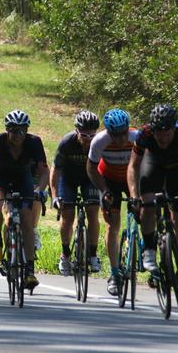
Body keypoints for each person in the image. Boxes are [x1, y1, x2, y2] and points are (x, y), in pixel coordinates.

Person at [128, 104, 178, 304]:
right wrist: (134, 196)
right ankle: (149, 250)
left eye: (167, 134)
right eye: (159, 134)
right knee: (149, 205)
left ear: (174, 128)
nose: (162, 138)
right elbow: (133, 166)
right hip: (152, 165)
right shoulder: (145, 134)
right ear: (152, 130)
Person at [0, 110, 48, 290]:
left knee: (26, 220)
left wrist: (40, 190)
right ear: (7, 130)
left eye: (22, 131)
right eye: (13, 130)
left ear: (26, 131)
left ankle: (29, 271)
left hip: (23, 179)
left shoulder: (34, 143)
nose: (18, 135)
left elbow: (44, 172)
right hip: (0, 179)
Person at [86, 108, 139, 296]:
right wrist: (104, 191)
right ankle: (115, 273)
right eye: (115, 135)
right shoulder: (100, 141)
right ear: (108, 132)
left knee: (147, 210)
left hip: (133, 177)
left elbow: (150, 164)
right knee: (112, 225)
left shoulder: (137, 137)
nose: (121, 138)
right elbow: (91, 170)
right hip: (109, 180)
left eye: (124, 133)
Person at [50, 110, 101, 276]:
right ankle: (65, 255)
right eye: (84, 135)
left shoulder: (99, 143)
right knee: (68, 214)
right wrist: (55, 196)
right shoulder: (66, 142)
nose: (88, 140)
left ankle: (93, 255)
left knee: (93, 212)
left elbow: (105, 168)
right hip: (67, 178)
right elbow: (55, 170)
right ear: (76, 131)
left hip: (89, 178)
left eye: (92, 135)